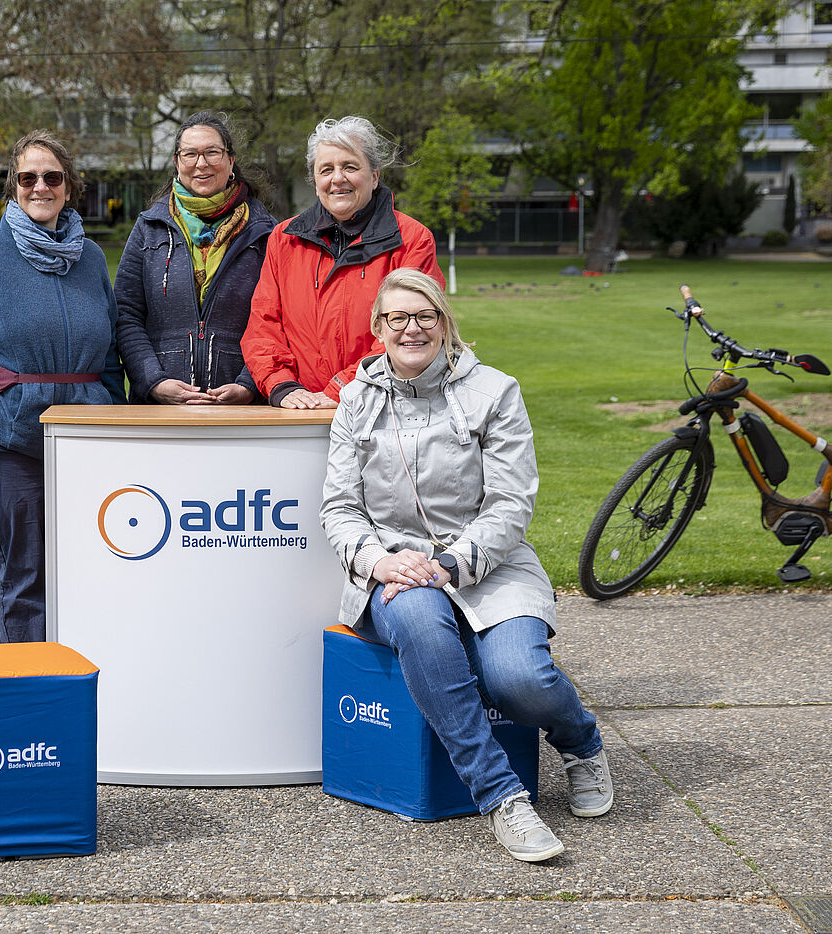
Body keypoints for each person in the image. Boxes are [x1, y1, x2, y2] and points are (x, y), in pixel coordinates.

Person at [320, 269, 612, 863]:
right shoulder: (356, 399)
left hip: (487, 563)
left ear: (445, 322)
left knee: (520, 679)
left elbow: (511, 504)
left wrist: (453, 563)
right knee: (424, 624)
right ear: (378, 329)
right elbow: (340, 505)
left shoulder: (495, 392)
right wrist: (377, 562)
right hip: (396, 567)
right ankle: (501, 797)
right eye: (397, 317)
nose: (411, 327)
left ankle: (580, 741)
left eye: (424, 314)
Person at [0, 129, 126, 642]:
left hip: (85, 441)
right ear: (13, 187)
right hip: (10, 443)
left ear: (68, 187)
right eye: (28, 177)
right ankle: (30, 692)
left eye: (51, 177)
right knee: (25, 575)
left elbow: (108, 356)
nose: (40, 187)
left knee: (91, 569)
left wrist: (119, 423)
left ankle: (87, 684)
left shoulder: (92, 259)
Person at [241, 115, 443, 409]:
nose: (338, 179)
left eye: (350, 167)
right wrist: (282, 386)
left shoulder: (412, 240)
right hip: (301, 412)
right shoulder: (284, 239)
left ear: (374, 175)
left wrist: (341, 389)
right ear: (315, 180)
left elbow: (409, 332)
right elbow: (263, 324)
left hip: (386, 409)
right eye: (326, 169)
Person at [116, 111, 275, 404]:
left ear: (231, 161)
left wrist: (249, 384)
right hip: (159, 406)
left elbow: (279, 319)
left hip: (243, 409)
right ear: (178, 163)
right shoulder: (149, 228)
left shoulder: (265, 232)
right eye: (190, 154)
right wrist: (153, 380)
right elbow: (126, 314)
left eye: (212, 152)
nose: (201, 164)